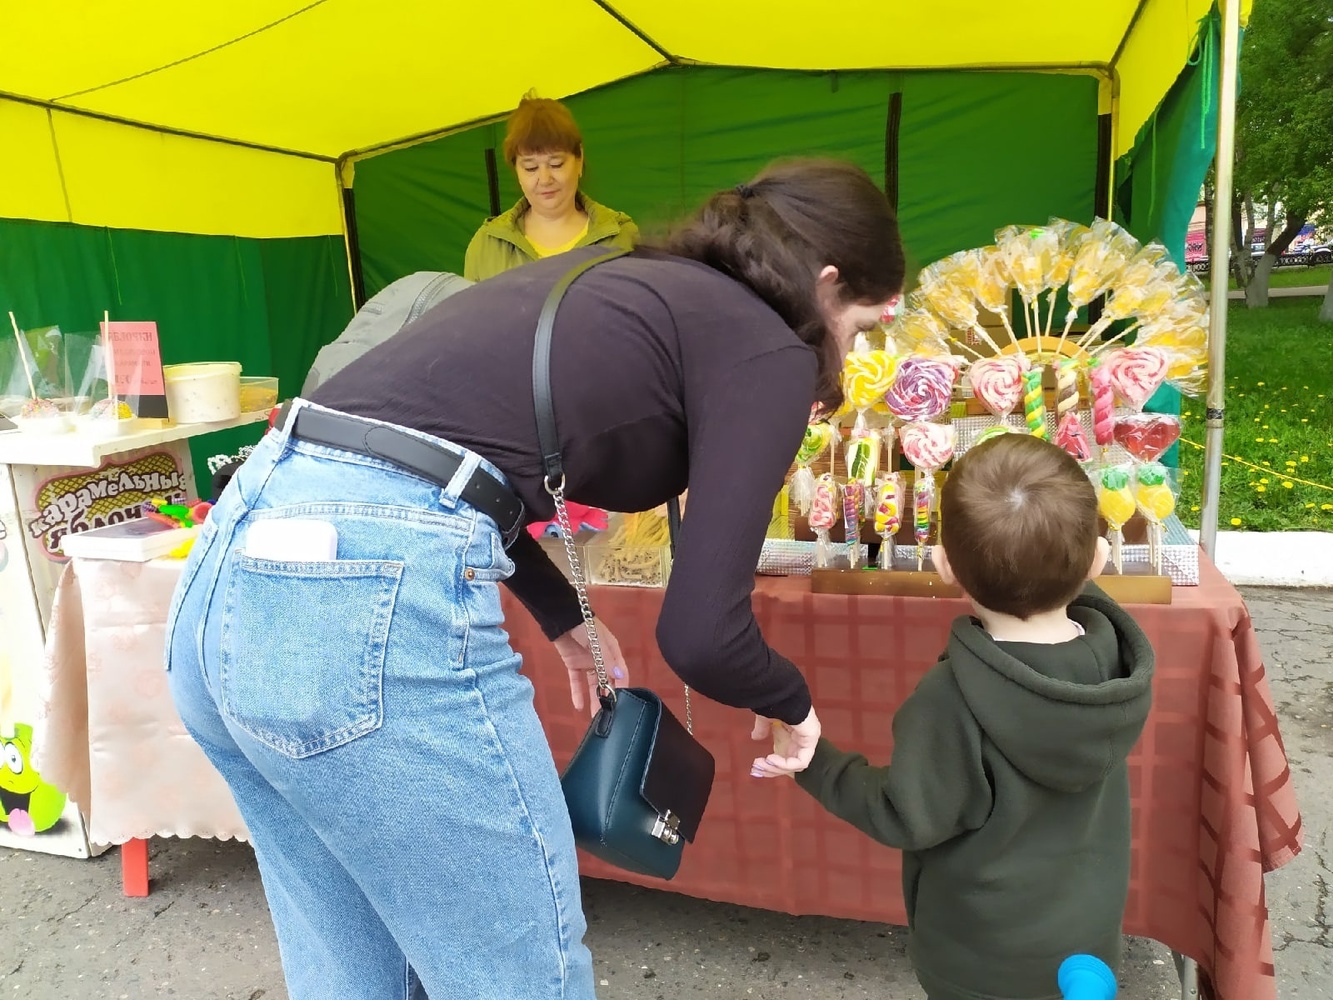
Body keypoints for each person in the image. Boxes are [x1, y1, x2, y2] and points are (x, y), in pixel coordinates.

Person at [165, 158, 903, 1000]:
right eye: (862, 325)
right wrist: (794, 709)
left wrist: (562, 618)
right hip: (360, 590)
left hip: (230, 565)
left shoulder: (623, 279)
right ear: (827, 281)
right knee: (515, 979)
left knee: (353, 972)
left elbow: (451, 448)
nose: (849, 348)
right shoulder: (765, 345)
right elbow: (703, 633)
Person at [757, 434, 1155, 1000]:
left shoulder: (952, 698)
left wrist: (815, 765)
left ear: (944, 564)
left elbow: (905, 814)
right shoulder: (1115, 666)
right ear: (1099, 557)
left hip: (979, 960)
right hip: (1085, 948)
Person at [463, 92, 638, 281]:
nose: (545, 179)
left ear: (579, 159)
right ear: (516, 170)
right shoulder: (487, 244)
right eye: (530, 168)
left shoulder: (621, 236)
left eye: (556, 164)